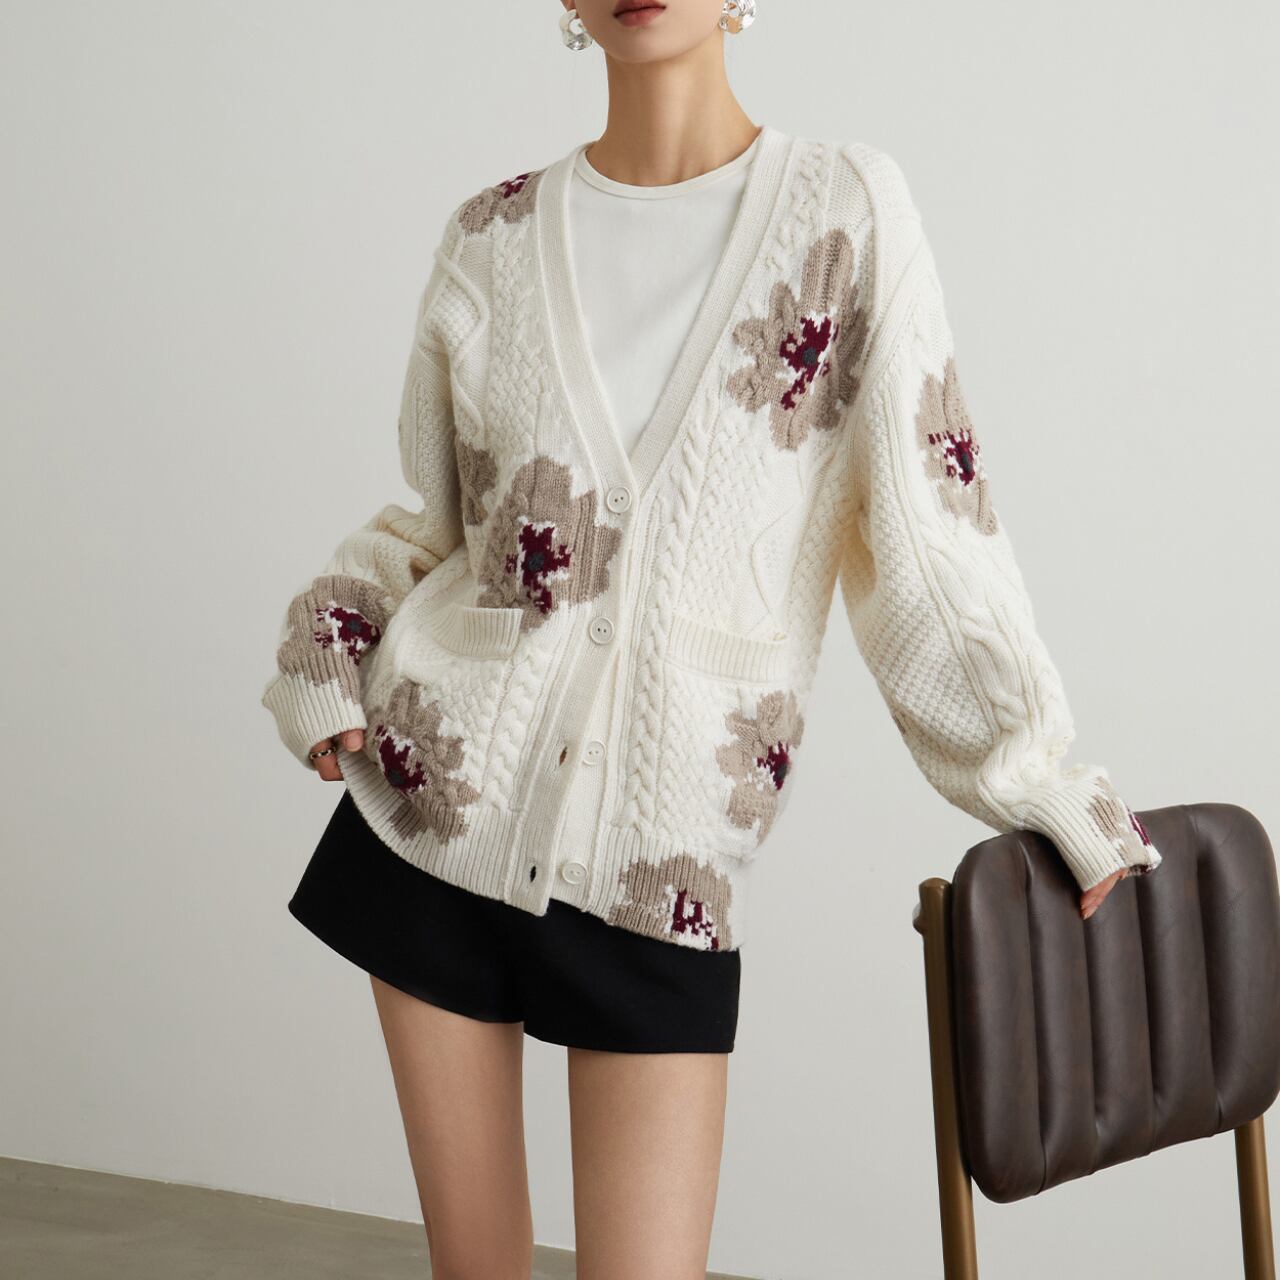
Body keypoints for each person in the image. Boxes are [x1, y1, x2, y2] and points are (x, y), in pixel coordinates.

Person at [259, 2, 1163, 1276]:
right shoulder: (489, 239)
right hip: (429, 820)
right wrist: (326, 645)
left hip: (662, 868)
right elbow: (436, 528)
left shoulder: (845, 214)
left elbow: (931, 527)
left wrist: (1036, 780)